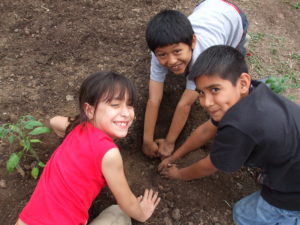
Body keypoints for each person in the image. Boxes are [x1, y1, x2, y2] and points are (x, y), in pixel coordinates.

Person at [158, 45, 300, 224]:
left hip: (293, 190)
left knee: (242, 215)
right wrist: (175, 156)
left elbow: (209, 165)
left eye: (214, 90)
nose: (206, 102)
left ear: (242, 82)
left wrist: (179, 174)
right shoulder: (251, 94)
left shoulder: (239, 127)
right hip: (291, 156)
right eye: (201, 93)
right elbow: (204, 130)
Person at [16, 72, 160, 225]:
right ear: (90, 110)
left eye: (129, 105)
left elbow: (54, 121)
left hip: (25, 221)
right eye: (115, 105)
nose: (126, 113)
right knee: (119, 214)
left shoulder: (76, 127)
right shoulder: (109, 153)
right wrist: (143, 213)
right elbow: (127, 203)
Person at [143, 0, 249, 158]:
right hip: (207, 5)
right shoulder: (157, 51)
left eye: (177, 51)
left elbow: (185, 105)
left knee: (229, 62)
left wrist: (170, 142)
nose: (171, 60)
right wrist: (147, 140)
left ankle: (243, 42)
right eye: (163, 55)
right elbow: (154, 99)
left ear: (192, 41)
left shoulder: (203, 59)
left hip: (234, 18)